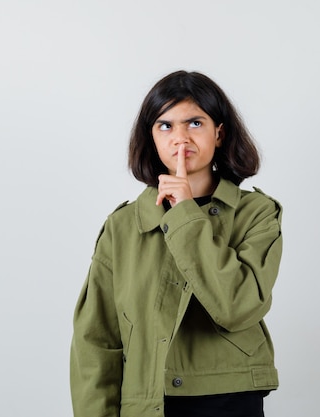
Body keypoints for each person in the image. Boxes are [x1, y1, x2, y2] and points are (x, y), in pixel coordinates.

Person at [70, 70, 283, 417]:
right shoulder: (123, 226)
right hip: (146, 404)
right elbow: (96, 342)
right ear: (151, 137)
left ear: (219, 132)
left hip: (229, 400)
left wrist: (184, 211)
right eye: (165, 126)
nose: (180, 138)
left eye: (195, 123)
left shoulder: (256, 214)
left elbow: (237, 307)